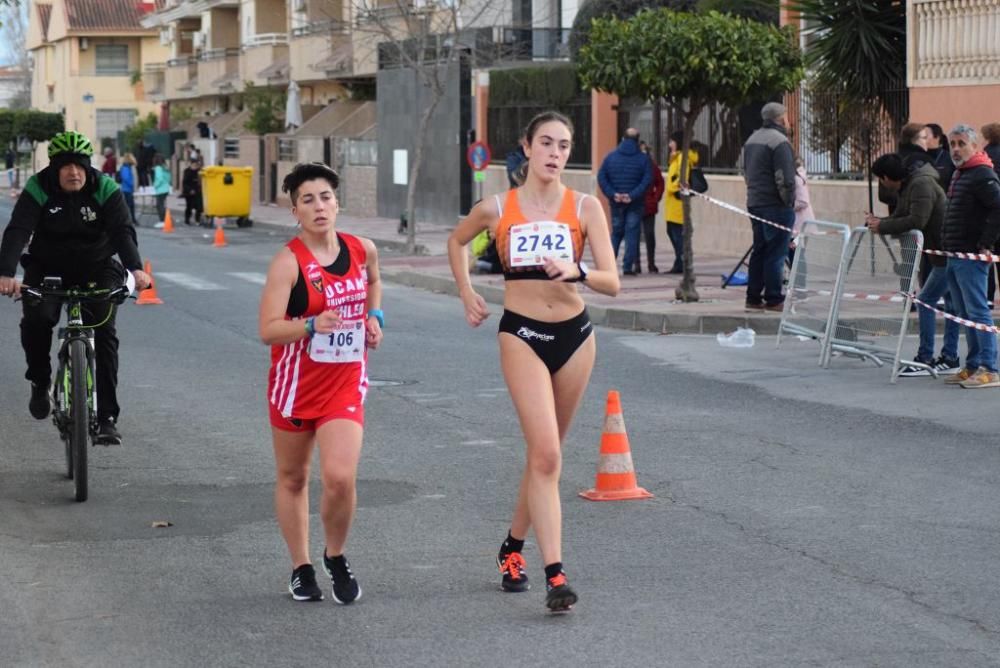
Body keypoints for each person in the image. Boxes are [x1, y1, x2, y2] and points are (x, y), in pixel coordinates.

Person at [446, 111, 620, 612]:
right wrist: (466, 291)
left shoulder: (586, 207)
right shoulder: (497, 207)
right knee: (545, 455)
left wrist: (579, 270)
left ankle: (512, 547)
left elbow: (612, 280)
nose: (555, 153)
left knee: (547, 457)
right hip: (521, 332)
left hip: (576, 336)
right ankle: (555, 574)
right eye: (546, 142)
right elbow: (457, 242)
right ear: (526, 146)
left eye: (564, 145)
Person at [259, 162, 383, 604]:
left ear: (338, 202)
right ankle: (301, 567)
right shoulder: (287, 263)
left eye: (325, 197)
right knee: (293, 477)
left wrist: (374, 317)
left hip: (345, 383)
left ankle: (336, 554)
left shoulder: (362, 248)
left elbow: (372, 282)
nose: (319, 206)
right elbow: (268, 329)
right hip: (295, 386)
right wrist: (310, 326)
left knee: (340, 477)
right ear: (295, 210)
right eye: (307, 200)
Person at [0, 131, 151, 444]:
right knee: (37, 320)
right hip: (47, 267)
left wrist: (136, 269)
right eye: (66, 166)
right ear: (55, 168)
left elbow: (122, 231)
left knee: (105, 332)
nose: (73, 172)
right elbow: (18, 230)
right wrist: (5, 272)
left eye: (80, 165)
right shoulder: (39, 187)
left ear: (89, 166)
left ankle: (107, 417)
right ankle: (40, 382)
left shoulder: (105, 187)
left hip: (97, 267)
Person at [866, 153, 959, 377]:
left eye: (880, 178)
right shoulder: (909, 186)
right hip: (941, 252)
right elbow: (902, 215)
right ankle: (950, 357)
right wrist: (880, 222)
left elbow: (917, 220)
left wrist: (883, 226)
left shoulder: (921, 184)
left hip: (946, 252)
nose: (881, 183)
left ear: (887, 177)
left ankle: (926, 358)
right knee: (953, 306)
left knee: (926, 301)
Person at [938, 124, 1000, 388]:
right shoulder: (961, 173)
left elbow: (998, 208)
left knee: (977, 312)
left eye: (961, 143)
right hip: (955, 253)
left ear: (975, 146)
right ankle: (973, 365)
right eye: (952, 144)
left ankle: (990, 368)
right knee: (964, 313)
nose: (956, 149)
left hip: (971, 255)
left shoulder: (982, 174)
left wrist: (986, 243)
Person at [742, 102, 796, 311]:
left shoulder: (751, 139)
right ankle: (774, 298)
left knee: (760, 250)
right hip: (775, 204)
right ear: (781, 119)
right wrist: (788, 202)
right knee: (776, 252)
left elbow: (746, 172)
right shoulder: (780, 142)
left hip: (755, 202)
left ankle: (753, 297)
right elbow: (785, 178)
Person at [597, 127, 652, 276]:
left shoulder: (610, 157)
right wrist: (632, 195)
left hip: (616, 203)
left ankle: (608, 265)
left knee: (616, 233)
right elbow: (647, 180)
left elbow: (602, 177)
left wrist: (613, 194)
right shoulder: (643, 159)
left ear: (622, 139)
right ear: (637, 140)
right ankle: (627, 267)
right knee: (632, 235)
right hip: (635, 203)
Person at [664, 131, 697, 275]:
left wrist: (672, 188)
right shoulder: (676, 158)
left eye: (671, 141)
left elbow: (681, 178)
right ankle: (679, 262)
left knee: (677, 235)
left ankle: (683, 262)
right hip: (672, 204)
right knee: (672, 232)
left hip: (677, 203)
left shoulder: (683, 158)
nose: (669, 144)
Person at [636, 140, 664, 274]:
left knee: (649, 235)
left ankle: (651, 263)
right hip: (634, 205)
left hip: (648, 205)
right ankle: (636, 264)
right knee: (634, 235)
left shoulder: (651, 166)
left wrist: (655, 197)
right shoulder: (632, 165)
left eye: (644, 151)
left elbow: (660, 183)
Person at [925, 123, 955, 191]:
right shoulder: (919, 157)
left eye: (926, 136)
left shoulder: (949, 158)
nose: (923, 139)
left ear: (937, 137)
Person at [181, 158, 204, 226]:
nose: (195, 167)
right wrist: (190, 190)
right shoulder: (187, 171)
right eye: (193, 165)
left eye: (196, 165)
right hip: (189, 192)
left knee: (199, 207)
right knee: (189, 207)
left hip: (197, 191)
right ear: (190, 164)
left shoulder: (200, 171)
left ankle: (197, 220)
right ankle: (187, 220)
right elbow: (184, 183)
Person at [118, 153, 138, 226]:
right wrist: (132, 185)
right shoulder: (126, 167)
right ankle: (129, 220)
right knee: (128, 206)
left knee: (130, 206)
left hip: (127, 189)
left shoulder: (128, 167)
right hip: (127, 190)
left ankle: (131, 220)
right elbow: (126, 178)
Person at [152, 155, 170, 224]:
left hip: (160, 189)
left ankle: (163, 221)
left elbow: (159, 179)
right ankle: (166, 219)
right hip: (166, 188)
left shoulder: (158, 168)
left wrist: (155, 185)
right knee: (162, 204)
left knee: (159, 205)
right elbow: (169, 178)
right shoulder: (165, 168)